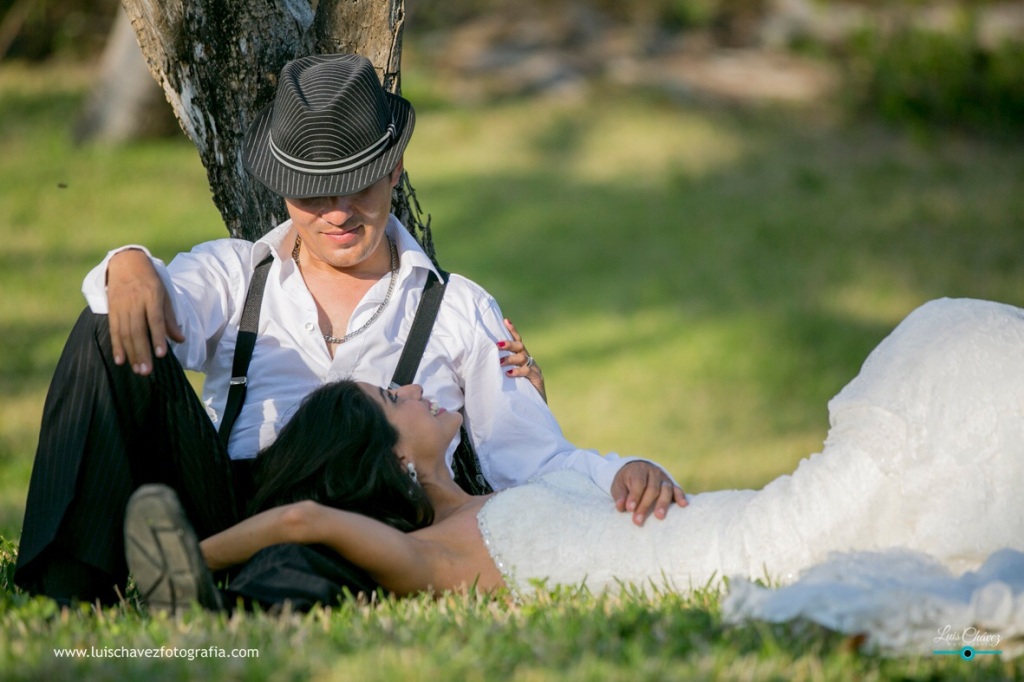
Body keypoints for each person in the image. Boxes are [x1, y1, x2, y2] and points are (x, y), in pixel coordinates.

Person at [15, 53, 683, 608]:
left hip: (373, 518)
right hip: (228, 499)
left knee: (320, 564)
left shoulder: (456, 309)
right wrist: (128, 263)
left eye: (357, 185)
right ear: (281, 189)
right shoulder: (235, 275)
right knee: (110, 322)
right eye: (312, 190)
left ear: (393, 171)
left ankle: (236, 598)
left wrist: (623, 471)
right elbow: (142, 296)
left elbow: (530, 454)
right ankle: (66, 593)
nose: (336, 212)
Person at [126, 297, 1024, 614]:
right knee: (942, 352)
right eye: (396, 399)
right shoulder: (434, 558)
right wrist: (174, 570)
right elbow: (301, 517)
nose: (418, 387)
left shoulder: (499, 489)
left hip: (735, 515)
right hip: (753, 557)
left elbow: (586, 473)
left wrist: (634, 470)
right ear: (392, 462)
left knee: (947, 357)